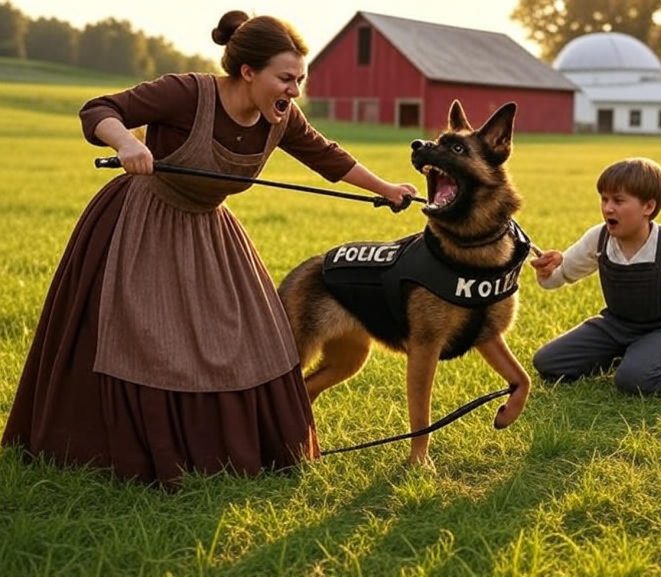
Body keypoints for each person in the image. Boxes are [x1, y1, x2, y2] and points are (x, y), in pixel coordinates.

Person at [1, 10, 416, 486]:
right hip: (140, 222)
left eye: (300, 80)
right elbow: (99, 109)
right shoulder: (186, 93)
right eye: (285, 79)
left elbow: (327, 156)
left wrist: (385, 189)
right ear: (248, 72)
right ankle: (129, 453)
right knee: (148, 338)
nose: (294, 91)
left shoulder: (281, 117)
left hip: (209, 230)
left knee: (252, 339)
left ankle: (227, 451)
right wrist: (126, 143)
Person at [530, 157, 661, 395]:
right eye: (604, 199)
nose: (608, 208)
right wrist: (547, 272)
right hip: (615, 326)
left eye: (618, 200)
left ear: (648, 207)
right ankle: (630, 356)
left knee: (633, 380)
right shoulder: (599, 238)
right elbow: (561, 274)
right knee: (548, 362)